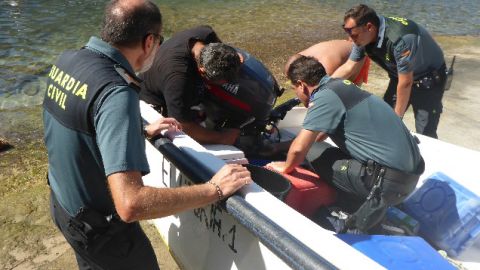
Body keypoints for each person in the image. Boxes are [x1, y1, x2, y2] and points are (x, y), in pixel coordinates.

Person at [42, 1, 252, 269]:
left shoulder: (68, 60)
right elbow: (131, 204)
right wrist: (215, 189)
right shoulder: (116, 92)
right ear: (149, 41)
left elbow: (77, 121)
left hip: (63, 206)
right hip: (101, 229)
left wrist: (131, 130)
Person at [268, 56, 424, 233]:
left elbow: (299, 149)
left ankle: (347, 204)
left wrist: (286, 167)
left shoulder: (324, 97)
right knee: (316, 149)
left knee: (312, 154)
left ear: (301, 85)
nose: (296, 94)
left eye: (294, 88)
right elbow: (318, 135)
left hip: (382, 186)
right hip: (405, 181)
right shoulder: (342, 88)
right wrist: (280, 147)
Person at [139, 25, 280, 146]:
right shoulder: (178, 79)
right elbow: (183, 126)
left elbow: (222, 50)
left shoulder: (205, 34)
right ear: (202, 71)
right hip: (154, 102)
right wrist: (222, 138)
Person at [333, 4, 447, 138]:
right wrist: (322, 87)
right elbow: (349, 67)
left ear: (369, 27)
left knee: (425, 133)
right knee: (382, 122)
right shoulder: (362, 36)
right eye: (348, 33)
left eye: (353, 35)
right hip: (399, 77)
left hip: (427, 81)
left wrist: (396, 119)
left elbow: (406, 83)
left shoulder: (400, 40)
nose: (350, 39)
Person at [285, 39, 370, 86]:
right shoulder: (296, 60)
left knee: (351, 91)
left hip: (357, 54)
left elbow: (323, 92)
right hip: (339, 48)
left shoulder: (327, 68)